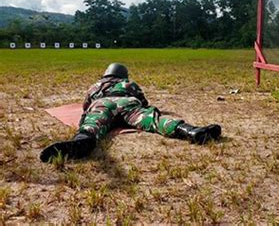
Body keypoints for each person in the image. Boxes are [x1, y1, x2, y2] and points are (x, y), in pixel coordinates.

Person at [40, 63, 221, 162]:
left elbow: (86, 106)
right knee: (155, 121)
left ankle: (82, 143)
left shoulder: (96, 86)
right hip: (128, 103)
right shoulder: (129, 84)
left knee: (92, 124)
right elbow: (144, 102)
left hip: (103, 104)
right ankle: (191, 131)